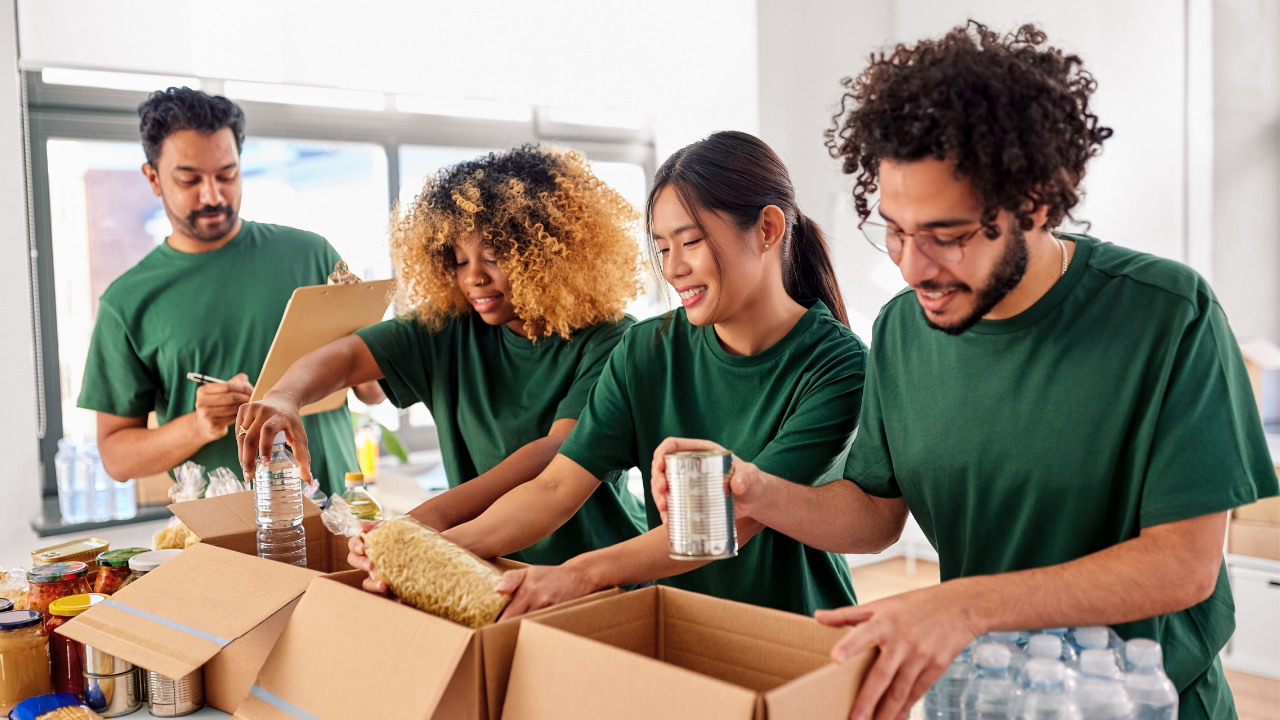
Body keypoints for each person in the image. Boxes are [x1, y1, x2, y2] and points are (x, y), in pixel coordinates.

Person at [651, 23, 1278, 720]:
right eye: (892, 229)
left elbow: (1182, 566)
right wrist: (758, 491)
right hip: (984, 698)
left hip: (1140, 704)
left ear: (1036, 201)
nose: (912, 266)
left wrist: (960, 605)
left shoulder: (1165, 315)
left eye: (945, 237)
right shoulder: (901, 331)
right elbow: (875, 511)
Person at [433, 130, 866, 619]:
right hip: (679, 626)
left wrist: (581, 573)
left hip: (796, 629)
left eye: (691, 241)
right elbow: (555, 489)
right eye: (662, 249)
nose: (674, 268)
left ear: (767, 229)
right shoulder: (646, 348)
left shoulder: (836, 363)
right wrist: (433, 545)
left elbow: (730, 519)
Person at [235, 144, 649, 566]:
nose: (474, 277)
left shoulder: (612, 340)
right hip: (487, 567)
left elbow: (555, 453)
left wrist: (423, 524)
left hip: (595, 569)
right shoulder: (449, 328)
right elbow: (345, 357)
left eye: (494, 256)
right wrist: (285, 396)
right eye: (458, 259)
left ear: (547, 255)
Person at [77, 87, 383, 497]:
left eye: (227, 174)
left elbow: (375, 390)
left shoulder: (311, 254)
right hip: (221, 542)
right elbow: (116, 457)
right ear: (152, 178)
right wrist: (198, 425)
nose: (213, 195)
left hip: (337, 521)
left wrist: (364, 355)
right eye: (189, 179)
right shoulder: (127, 302)